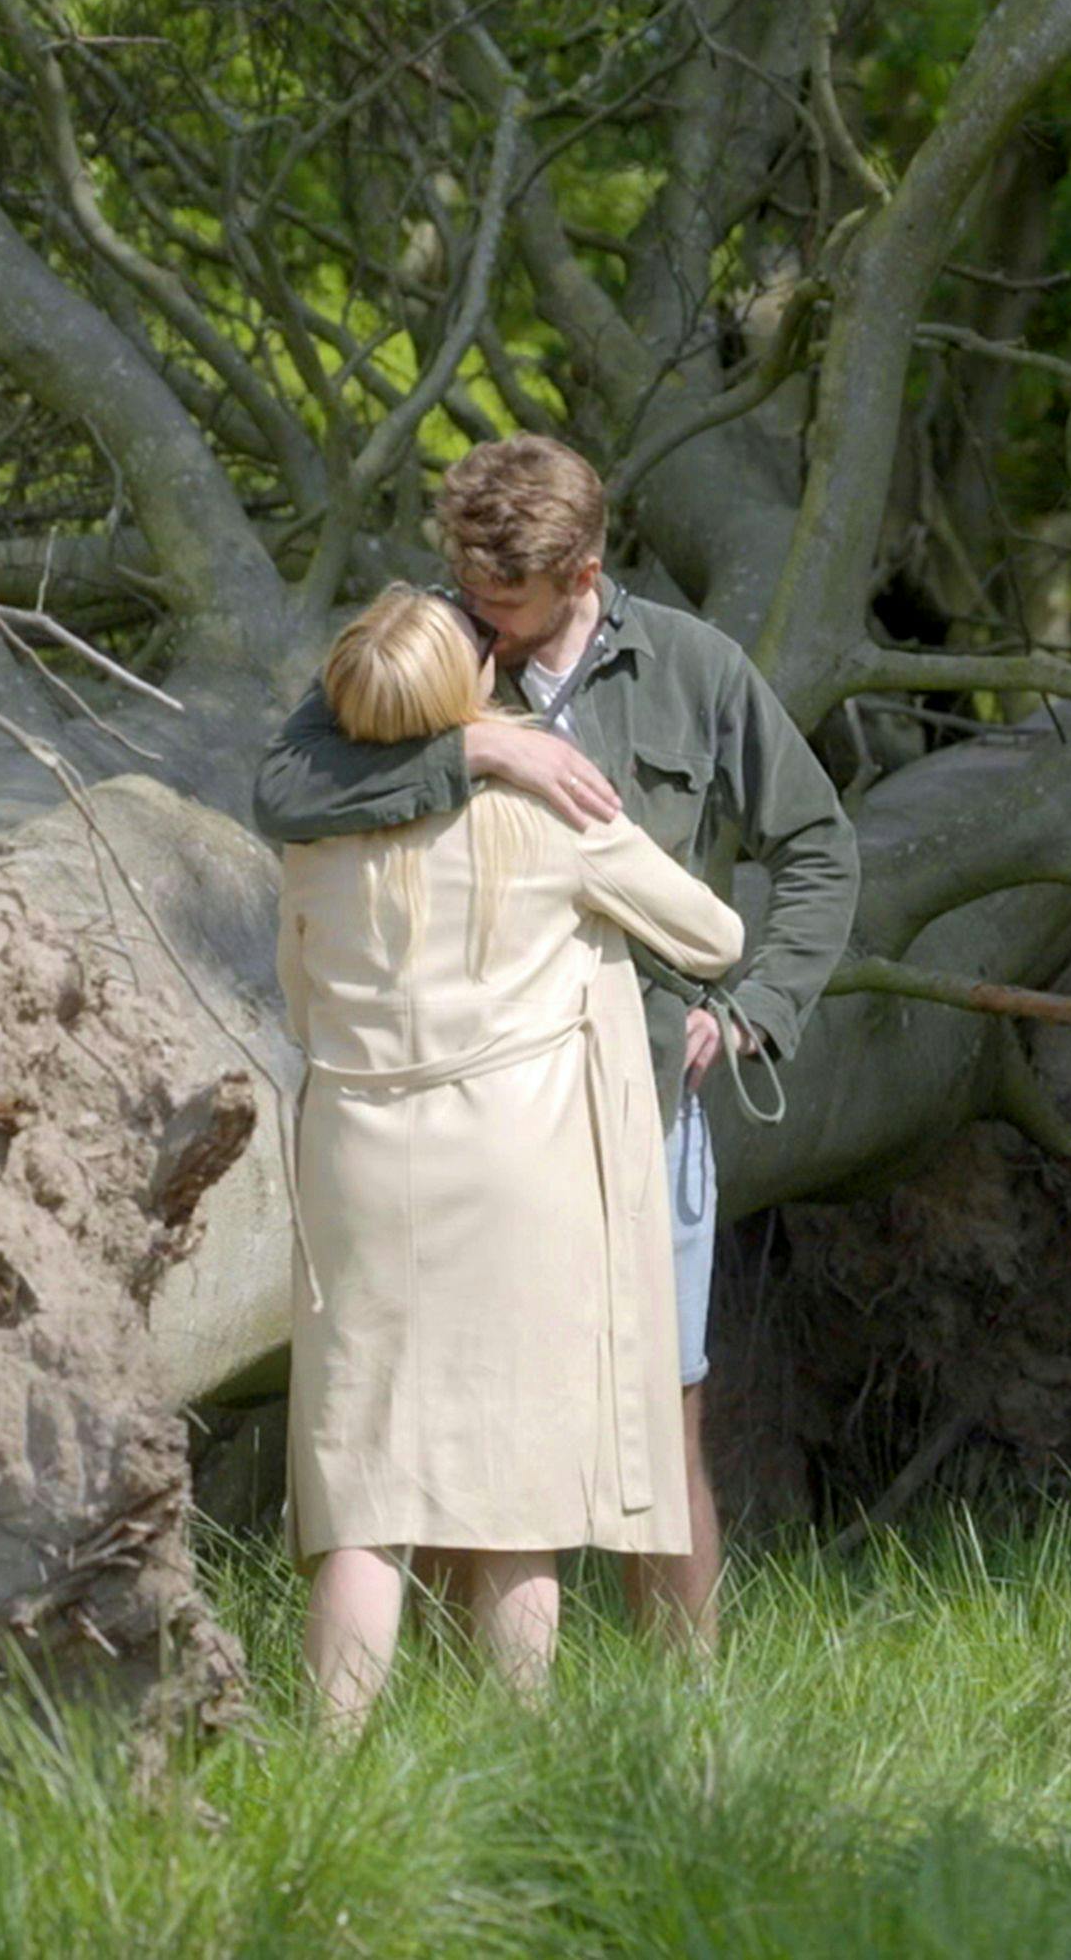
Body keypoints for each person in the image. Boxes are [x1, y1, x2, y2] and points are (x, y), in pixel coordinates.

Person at [255, 435, 858, 1652]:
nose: (482, 616)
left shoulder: (692, 668)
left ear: (583, 569)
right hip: (467, 1118)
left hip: (639, 1096)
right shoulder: (425, 655)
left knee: (656, 1407)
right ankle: (452, 1722)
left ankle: (682, 1704)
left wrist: (752, 1012)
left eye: (507, 599)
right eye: (468, 588)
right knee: (442, 1431)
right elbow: (285, 794)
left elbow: (818, 849)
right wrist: (474, 745)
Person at [278, 587, 748, 1732]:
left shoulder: (314, 838)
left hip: (353, 1163)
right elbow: (715, 936)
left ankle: (322, 1761)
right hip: (519, 1178)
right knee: (516, 1486)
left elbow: (297, 998)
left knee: (361, 1488)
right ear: (467, 693)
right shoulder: (550, 813)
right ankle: (520, 1752)